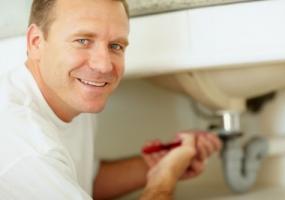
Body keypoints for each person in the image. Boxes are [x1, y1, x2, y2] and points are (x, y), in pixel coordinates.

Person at [0, 0, 222, 199]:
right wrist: (163, 180)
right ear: (36, 42)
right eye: (83, 41)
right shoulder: (25, 145)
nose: (104, 65)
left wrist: (159, 163)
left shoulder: (71, 96)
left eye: (116, 46)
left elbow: (83, 181)